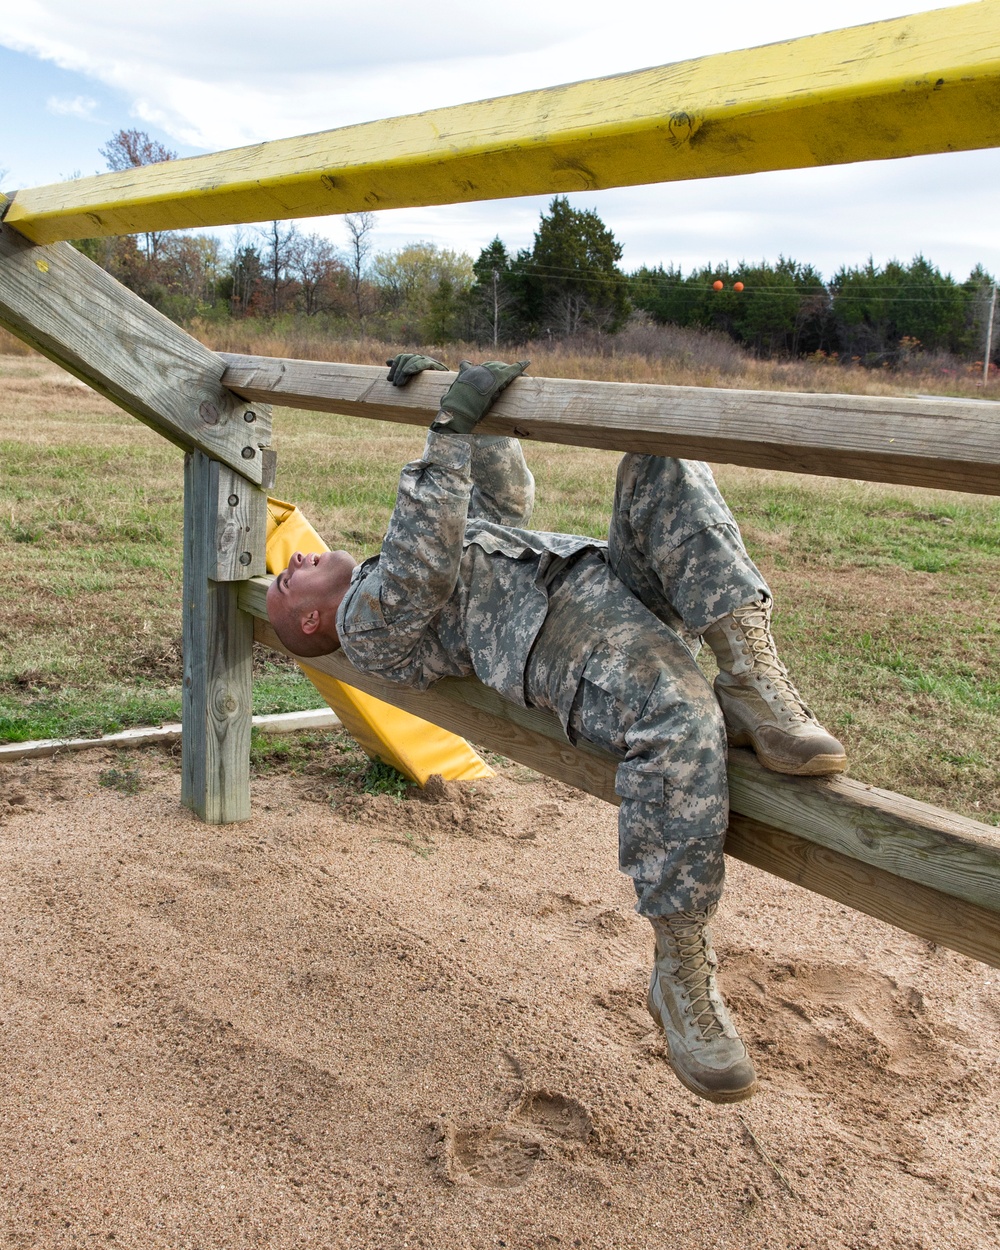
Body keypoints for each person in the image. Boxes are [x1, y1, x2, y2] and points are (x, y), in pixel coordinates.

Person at [266, 355, 847, 1104]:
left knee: (660, 454)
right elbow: (423, 563)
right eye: (289, 579)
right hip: (564, 645)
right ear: (312, 619)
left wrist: (451, 383)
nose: (303, 553)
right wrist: (446, 429)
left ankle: (752, 681)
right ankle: (680, 968)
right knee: (676, 714)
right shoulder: (369, 627)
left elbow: (504, 494)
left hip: (603, 581)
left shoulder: (397, 568)